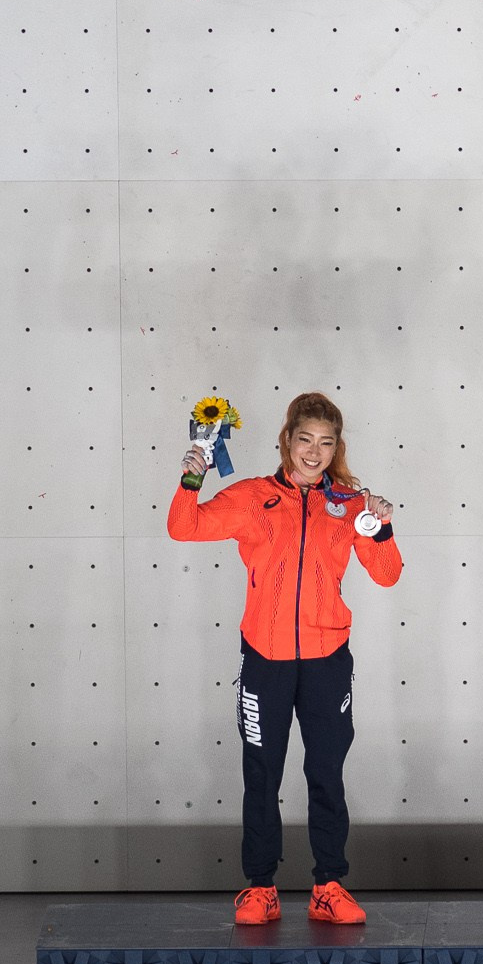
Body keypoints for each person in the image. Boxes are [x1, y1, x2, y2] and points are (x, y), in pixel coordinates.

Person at [168, 392, 402, 924]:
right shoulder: (253, 496)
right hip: (264, 659)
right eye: (305, 440)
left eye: (326, 443)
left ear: (336, 448)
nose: (314, 452)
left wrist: (382, 525)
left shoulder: (349, 505)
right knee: (262, 773)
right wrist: (191, 478)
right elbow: (184, 527)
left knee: (326, 772)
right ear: (287, 440)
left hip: (326, 660)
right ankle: (260, 889)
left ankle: (329, 886)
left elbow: (388, 574)